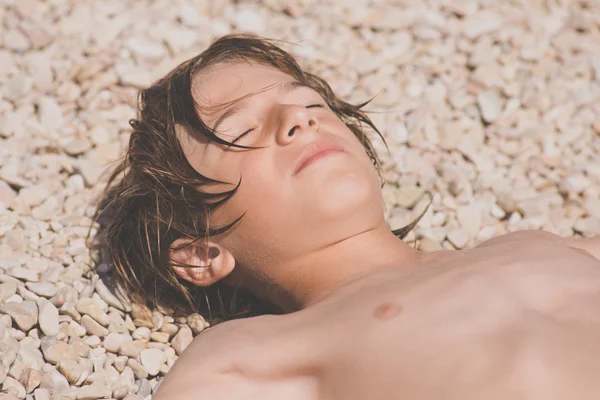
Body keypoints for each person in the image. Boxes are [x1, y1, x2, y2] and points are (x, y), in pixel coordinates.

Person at [95, 33, 600, 399]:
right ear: (201, 252)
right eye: (244, 133)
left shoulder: (531, 243)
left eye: (311, 104)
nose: (299, 119)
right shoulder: (258, 352)